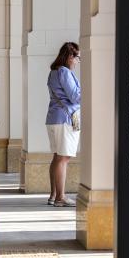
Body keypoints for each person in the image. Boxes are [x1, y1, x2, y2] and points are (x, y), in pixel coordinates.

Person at [45, 42, 80, 207]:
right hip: (65, 119)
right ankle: (61, 197)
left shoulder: (53, 72)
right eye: (77, 57)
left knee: (57, 157)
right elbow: (75, 97)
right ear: (70, 56)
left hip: (54, 118)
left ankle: (53, 195)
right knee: (63, 158)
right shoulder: (64, 72)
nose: (77, 61)